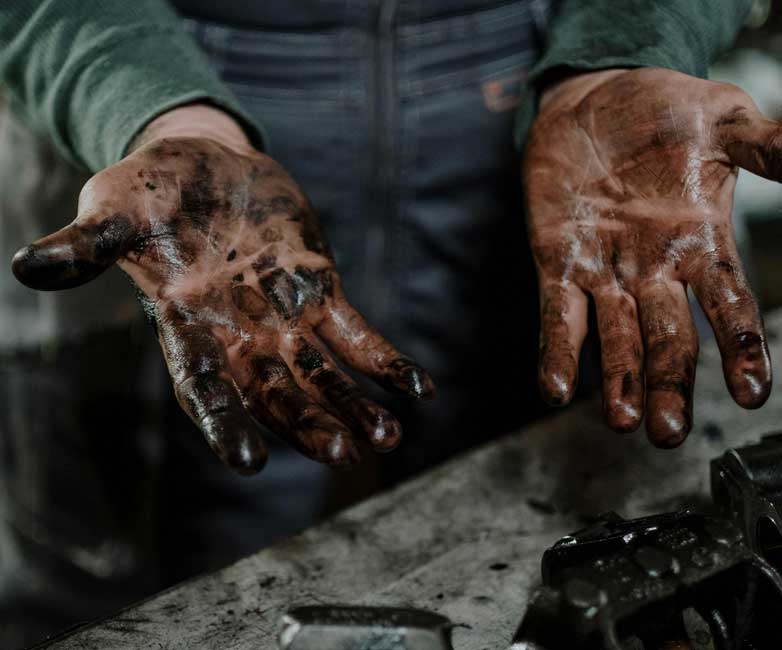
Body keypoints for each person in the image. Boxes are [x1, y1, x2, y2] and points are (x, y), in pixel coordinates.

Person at [0, 0, 779, 647]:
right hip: (164, 131)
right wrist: (145, 103)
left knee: (622, 553)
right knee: (139, 595)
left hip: (568, 130)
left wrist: (622, 51)